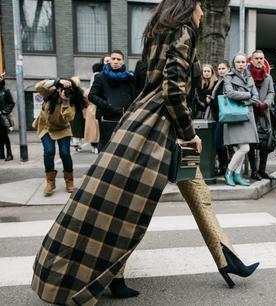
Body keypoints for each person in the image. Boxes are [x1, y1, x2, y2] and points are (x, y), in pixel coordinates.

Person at [31, 1, 258, 305]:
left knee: (178, 197)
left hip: (145, 126)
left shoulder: (157, 31)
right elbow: (173, 90)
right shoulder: (183, 31)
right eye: (199, 6)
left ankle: (226, 257)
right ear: (187, 7)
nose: (203, 13)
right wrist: (189, 135)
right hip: (159, 132)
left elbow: (155, 84)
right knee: (126, 209)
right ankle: (112, 276)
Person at [33, 77, 85, 196]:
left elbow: (69, 118)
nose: (66, 92)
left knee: (65, 153)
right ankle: (50, 182)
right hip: (45, 127)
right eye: (63, 90)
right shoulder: (49, 93)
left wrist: (66, 102)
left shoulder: (71, 102)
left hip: (62, 129)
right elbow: (38, 86)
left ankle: (69, 181)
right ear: (58, 89)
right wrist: (56, 82)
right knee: (49, 151)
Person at [222, 53, 260, 187]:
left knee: (242, 147)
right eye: (238, 62)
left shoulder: (249, 77)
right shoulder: (228, 77)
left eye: (243, 62)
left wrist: (244, 100)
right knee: (245, 148)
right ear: (234, 64)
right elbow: (230, 94)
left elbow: (257, 97)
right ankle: (229, 172)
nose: (241, 64)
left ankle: (237, 175)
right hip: (234, 116)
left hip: (247, 116)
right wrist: (248, 95)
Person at [88, 50, 137, 151]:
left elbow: (134, 97)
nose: (115, 61)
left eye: (118, 59)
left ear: (123, 62)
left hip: (124, 118)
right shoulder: (100, 77)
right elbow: (92, 95)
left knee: (122, 148)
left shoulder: (129, 78)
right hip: (107, 119)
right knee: (106, 147)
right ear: (109, 61)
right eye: (113, 59)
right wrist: (107, 105)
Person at [247, 50, 275, 180]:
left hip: (264, 113)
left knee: (266, 143)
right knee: (251, 143)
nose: (259, 60)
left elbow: (271, 92)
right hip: (251, 112)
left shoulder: (268, 77)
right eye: (256, 58)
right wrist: (256, 103)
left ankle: (262, 170)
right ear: (252, 60)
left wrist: (266, 103)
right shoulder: (246, 76)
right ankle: (253, 171)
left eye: (261, 58)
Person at [211, 61, 231, 175]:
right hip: (218, 115)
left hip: (224, 116)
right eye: (219, 69)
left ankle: (225, 167)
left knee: (219, 143)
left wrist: (213, 101)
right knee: (219, 143)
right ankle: (224, 167)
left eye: (223, 68)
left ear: (228, 69)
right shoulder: (218, 82)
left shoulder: (227, 82)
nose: (221, 71)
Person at [0, 74, 15, 161]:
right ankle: (1, 154)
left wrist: (4, 111)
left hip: (3, 117)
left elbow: (12, 103)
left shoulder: (5, 90)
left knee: (5, 136)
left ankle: (10, 154)